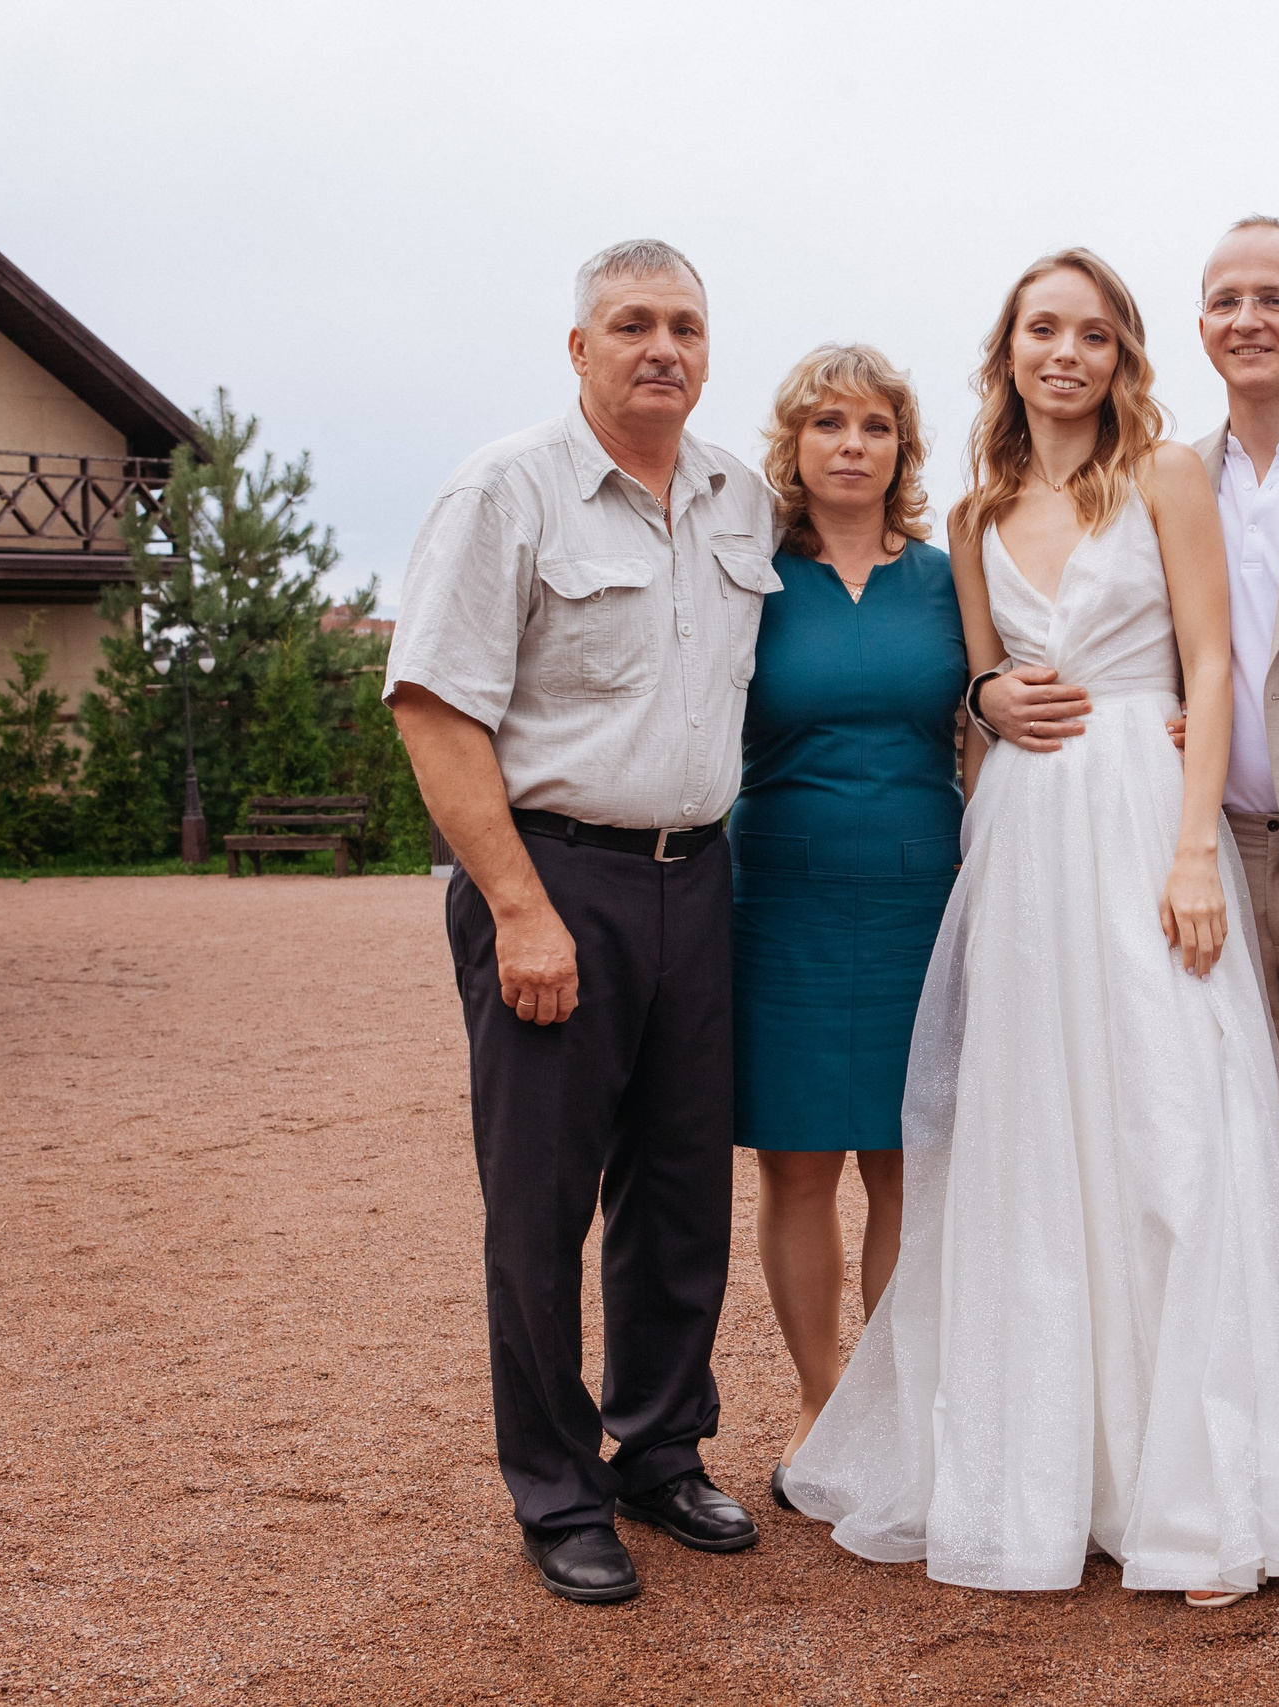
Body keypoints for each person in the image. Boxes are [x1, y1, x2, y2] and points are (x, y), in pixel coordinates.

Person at [781, 248, 1279, 1606]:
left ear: (1122, 355)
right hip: (1021, 841)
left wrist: (1194, 848)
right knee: (1029, 1141)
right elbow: (980, 686)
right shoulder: (971, 512)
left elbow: (1211, 663)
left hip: (1143, 820)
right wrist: (987, 698)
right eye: (1042, 329)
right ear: (1007, 351)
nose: (1066, 352)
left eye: (1094, 333)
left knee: (1177, 1127)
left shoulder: (1163, 475)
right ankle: (1048, 1475)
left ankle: (1202, 1494)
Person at [983, 214, 1279, 1517]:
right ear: (1197, 328)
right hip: (1189, 857)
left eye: (1273, 297)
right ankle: (1257, 1413)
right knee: (1209, 1150)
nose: (1248, 318)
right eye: (1224, 299)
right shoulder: (1157, 473)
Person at [386, 239, 778, 1605]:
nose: (662, 347)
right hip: (555, 879)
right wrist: (518, 910)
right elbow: (435, 709)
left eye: (685, 325)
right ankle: (557, 1489)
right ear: (578, 347)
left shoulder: (740, 497)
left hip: (701, 879)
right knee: (539, 1207)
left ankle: (659, 1449)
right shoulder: (505, 490)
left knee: (679, 1194)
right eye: (631, 324)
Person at [732, 345, 965, 1494]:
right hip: (784, 902)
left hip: (926, 893)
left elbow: (1001, 704)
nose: (851, 445)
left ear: (901, 448)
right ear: (794, 443)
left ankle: (895, 1405)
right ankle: (821, 1404)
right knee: (797, 1164)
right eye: (828, 423)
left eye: (874, 426)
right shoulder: (749, 579)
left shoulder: (947, 578)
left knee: (905, 1160)